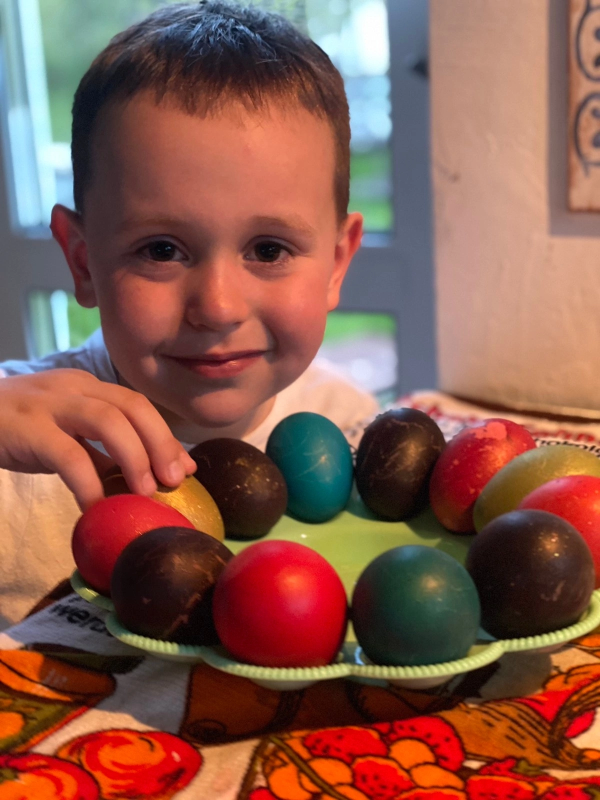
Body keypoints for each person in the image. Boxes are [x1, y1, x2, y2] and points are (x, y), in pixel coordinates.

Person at [0, 1, 379, 626]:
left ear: (337, 264)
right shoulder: (20, 443)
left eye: (268, 250)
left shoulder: (352, 434)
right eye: (161, 250)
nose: (219, 308)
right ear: (83, 262)